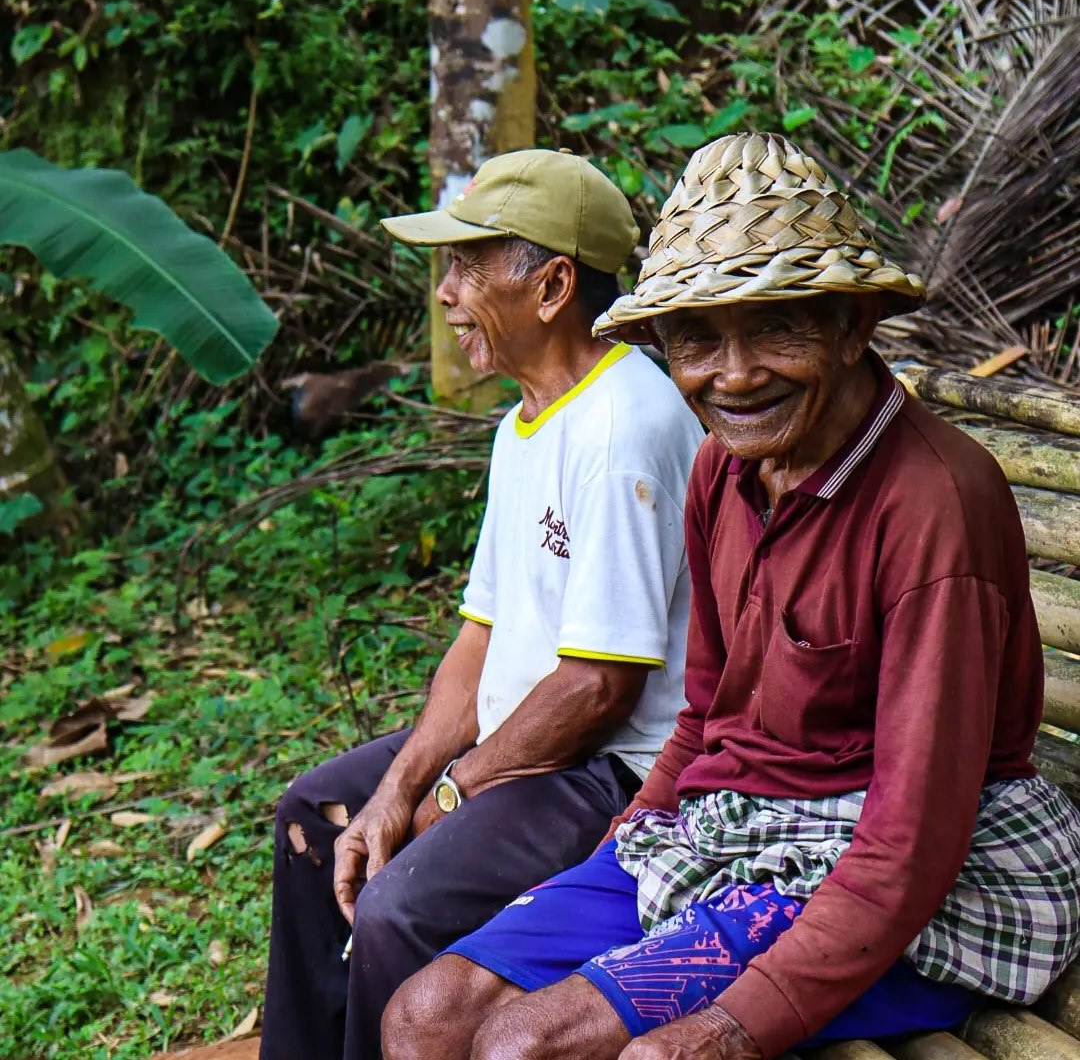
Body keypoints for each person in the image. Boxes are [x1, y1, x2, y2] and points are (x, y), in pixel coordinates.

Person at [381, 132, 1080, 1060]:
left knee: (536, 1045)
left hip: (911, 876)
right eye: (698, 339)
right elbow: (705, 715)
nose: (735, 373)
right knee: (424, 1017)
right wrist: (609, 868)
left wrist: (729, 1028)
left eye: (776, 326)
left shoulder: (934, 504)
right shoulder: (723, 469)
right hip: (732, 829)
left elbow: (911, 842)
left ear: (853, 324)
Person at [259, 148, 704, 1060]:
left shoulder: (627, 423)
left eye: (466, 266)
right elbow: (482, 636)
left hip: (609, 769)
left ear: (551, 286)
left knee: (398, 905)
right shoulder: (524, 424)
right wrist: (397, 790)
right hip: (528, 741)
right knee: (319, 817)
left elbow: (599, 691)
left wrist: (451, 794)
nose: (446, 291)